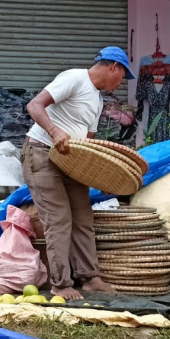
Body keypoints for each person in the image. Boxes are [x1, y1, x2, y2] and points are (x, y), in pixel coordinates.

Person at [24, 46, 134, 300]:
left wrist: (101, 176)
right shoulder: (74, 78)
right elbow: (34, 105)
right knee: (59, 219)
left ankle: (91, 278)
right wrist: (54, 131)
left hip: (71, 161)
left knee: (83, 216)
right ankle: (61, 284)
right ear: (113, 67)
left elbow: (89, 146)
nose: (120, 84)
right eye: (122, 77)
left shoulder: (97, 99)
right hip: (41, 153)